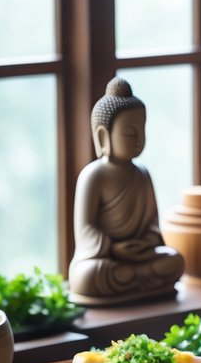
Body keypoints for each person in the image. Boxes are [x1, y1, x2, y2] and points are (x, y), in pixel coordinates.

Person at [68, 78, 184, 304]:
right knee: (87, 276)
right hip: (107, 259)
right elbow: (85, 230)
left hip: (137, 258)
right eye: (131, 133)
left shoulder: (142, 173)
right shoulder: (93, 176)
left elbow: (152, 224)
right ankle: (131, 277)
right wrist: (115, 249)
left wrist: (146, 241)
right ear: (103, 136)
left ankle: (134, 278)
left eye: (142, 130)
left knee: (174, 261)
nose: (139, 139)